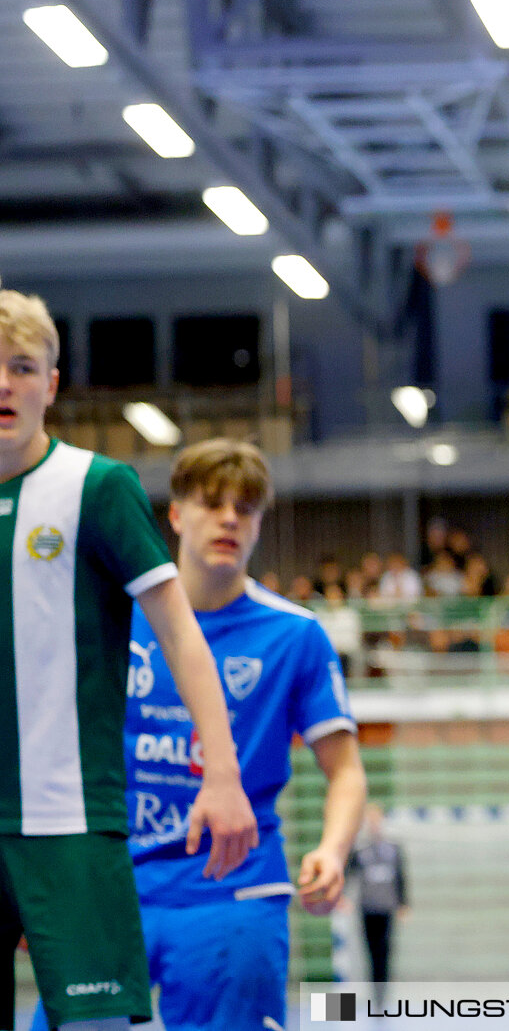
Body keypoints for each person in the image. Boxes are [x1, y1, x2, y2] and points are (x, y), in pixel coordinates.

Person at [31, 438, 366, 1031]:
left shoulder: (296, 635)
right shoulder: (109, 619)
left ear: (261, 524)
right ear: (177, 515)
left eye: (247, 507)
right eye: (213, 503)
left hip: (232, 893)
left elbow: (345, 771)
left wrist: (332, 850)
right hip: (109, 888)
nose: (230, 518)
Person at [0, 284, 256, 1031]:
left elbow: (181, 635)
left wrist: (224, 774)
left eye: (20, 367)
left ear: (51, 384)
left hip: (70, 822)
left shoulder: (96, 488)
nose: (2, 384)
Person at [349, 804, 408, 1000]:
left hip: (386, 907)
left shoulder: (393, 849)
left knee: (385, 950)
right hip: (367, 907)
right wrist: (340, 897)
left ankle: (383, 994)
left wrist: (403, 903)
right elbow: (347, 874)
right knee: (370, 951)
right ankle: (373, 994)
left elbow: (401, 877)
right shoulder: (360, 850)